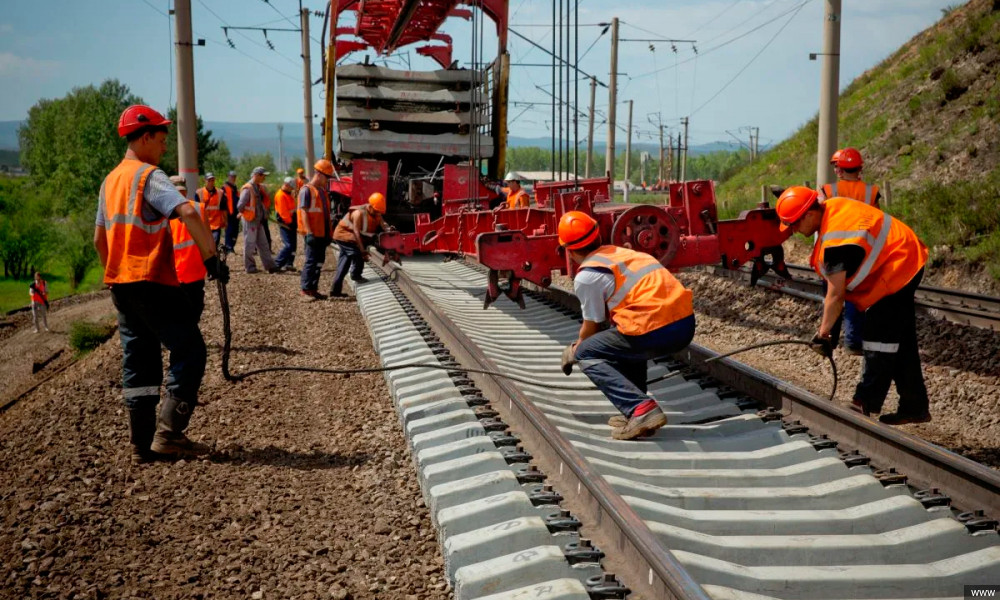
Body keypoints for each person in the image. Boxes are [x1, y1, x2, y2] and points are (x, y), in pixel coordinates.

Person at [94, 105, 228, 463]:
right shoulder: (148, 176)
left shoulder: (110, 181)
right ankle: (169, 434)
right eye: (163, 139)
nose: (165, 146)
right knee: (190, 350)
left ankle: (141, 444)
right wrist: (211, 257)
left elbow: (98, 239)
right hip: (151, 278)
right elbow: (187, 211)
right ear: (147, 136)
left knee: (139, 359)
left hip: (121, 283)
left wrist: (114, 271)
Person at [776, 186, 930, 425]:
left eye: (794, 224)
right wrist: (831, 335)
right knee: (901, 340)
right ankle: (914, 405)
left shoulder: (837, 239)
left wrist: (823, 333)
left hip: (899, 264)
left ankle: (863, 402)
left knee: (879, 340)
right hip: (902, 255)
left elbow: (836, 295)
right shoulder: (831, 212)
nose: (794, 231)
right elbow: (833, 290)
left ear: (808, 214)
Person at [557, 211, 696, 440]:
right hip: (684, 324)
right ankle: (635, 407)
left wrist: (575, 349)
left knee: (586, 352)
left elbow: (592, 325)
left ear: (569, 250)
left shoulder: (588, 275)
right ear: (597, 236)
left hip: (655, 328)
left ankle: (641, 409)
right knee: (623, 335)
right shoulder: (622, 254)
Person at [819, 147, 881, 355]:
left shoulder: (828, 191)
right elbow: (878, 220)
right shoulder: (871, 192)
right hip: (862, 250)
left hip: (835, 249)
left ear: (839, 169)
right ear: (858, 168)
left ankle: (830, 337)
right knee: (856, 295)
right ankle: (854, 343)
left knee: (832, 295)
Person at [330, 191, 390, 298]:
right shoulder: (358, 213)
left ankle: (335, 291)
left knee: (344, 264)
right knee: (356, 254)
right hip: (343, 236)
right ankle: (356, 275)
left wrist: (389, 229)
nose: (378, 214)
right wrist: (363, 251)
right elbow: (357, 233)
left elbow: (383, 225)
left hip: (351, 238)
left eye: (379, 212)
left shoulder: (376, 213)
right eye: (376, 211)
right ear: (370, 206)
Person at [169, 175, 209, 321]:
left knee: (185, 311)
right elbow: (208, 240)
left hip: (182, 273)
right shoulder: (198, 208)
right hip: (187, 273)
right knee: (191, 310)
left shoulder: (162, 213)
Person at [298, 159, 335, 300]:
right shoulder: (306, 190)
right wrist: (309, 233)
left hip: (322, 233)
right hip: (313, 233)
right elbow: (304, 212)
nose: (327, 181)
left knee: (319, 261)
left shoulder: (321, 191)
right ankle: (306, 290)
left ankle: (313, 288)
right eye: (327, 177)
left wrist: (328, 233)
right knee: (311, 261)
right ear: (319, 174)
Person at [237, 167, 279, 274]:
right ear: (257, 175)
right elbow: (240, 206)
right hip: (250, 221)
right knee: (249, 244)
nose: (264, 177)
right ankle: (250, 267)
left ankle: (270, 266)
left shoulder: (257, 187)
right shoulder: (248, 188)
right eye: (263, 175)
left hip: (258, 221)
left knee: (264, 244)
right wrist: (247, 215)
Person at [274, 176, 298, 271]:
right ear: (286, 185)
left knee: (293, 245)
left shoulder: (288, 194)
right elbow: (283, 213)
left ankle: (289, 263)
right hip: (286, 223)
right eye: (291, 187)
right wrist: (290, 223)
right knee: (288, 245)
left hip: (291, 222)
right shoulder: (281, 195)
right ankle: (277, 263)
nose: (292, 189)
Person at [197, 173, 226, 248]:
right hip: (204, 224)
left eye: (212, 180)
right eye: (209, 180)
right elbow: (196, 209)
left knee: (214, 243)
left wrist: (225, 221)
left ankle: (214, 257)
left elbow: (224, 209)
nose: (211, 182)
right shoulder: (199, 193)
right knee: (204, 245)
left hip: (216, 224)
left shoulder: (220, 192)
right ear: (205, 180)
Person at [222, 171, 240, 254]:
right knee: (229, 231)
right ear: (228, 177)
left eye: (234, 176)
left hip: (236, 214)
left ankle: (231, 246)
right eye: (232, 176)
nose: (233, 178)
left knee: (235, 232)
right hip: (229, 214)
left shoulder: (235, 188)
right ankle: (228, 248)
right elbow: (223, 203)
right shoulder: (224, 188)